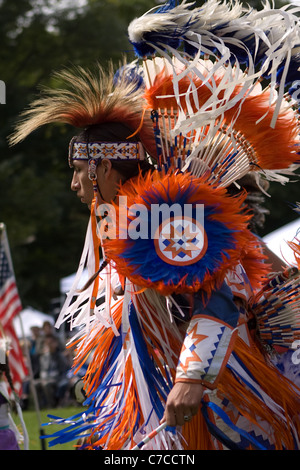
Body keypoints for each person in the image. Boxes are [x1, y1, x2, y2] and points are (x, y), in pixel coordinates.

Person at [9, 1, 300, 450]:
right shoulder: (129, 223)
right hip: (176, 405)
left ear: (104, 169)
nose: (73, 185)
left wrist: (190, 379)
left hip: (221, 405)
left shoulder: (163, 217)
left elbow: (216, 301)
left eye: (79, 170)